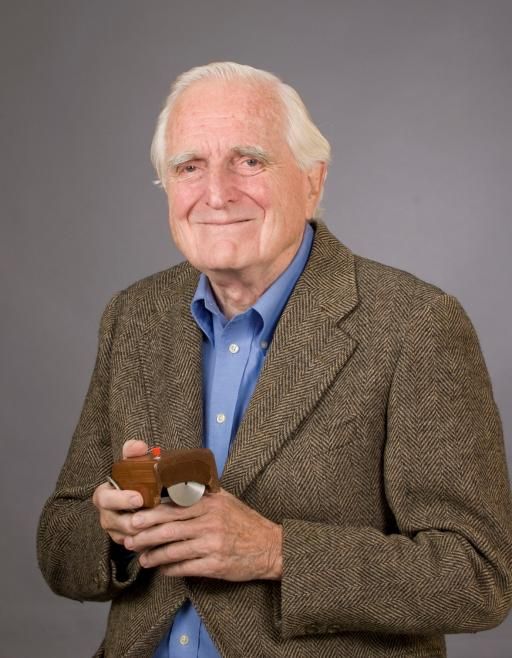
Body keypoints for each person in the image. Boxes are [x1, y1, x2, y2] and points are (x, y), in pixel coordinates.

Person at [37, 62, 512, 658]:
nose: (216, 194)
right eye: (189, 167)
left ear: (313, 181)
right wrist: (114, 532)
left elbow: (478, 577)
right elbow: (59, 544)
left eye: (249, 161)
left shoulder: (414, 323)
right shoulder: (134, 315)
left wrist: (275, 551)